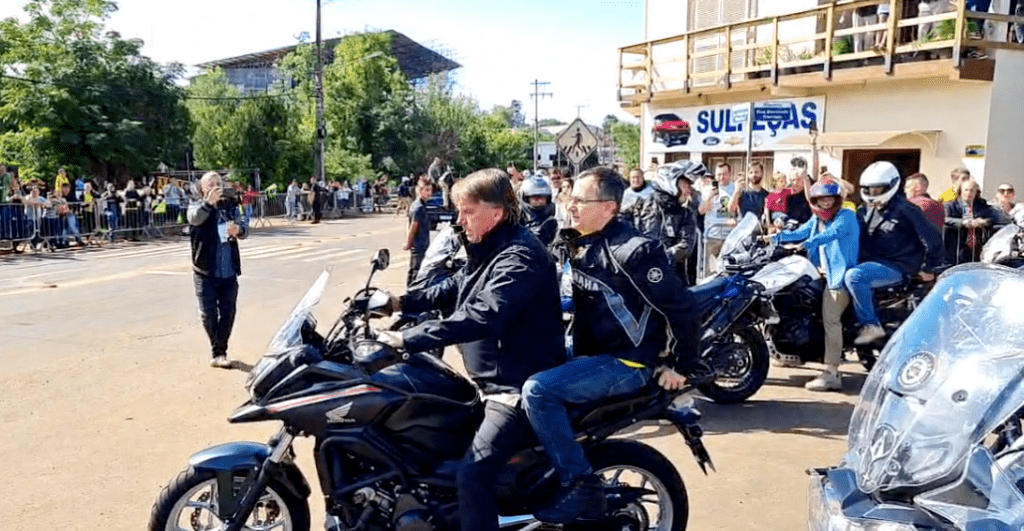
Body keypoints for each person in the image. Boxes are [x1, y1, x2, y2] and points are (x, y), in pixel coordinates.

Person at [376, 168, 565, 531]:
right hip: (488, 382)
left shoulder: (519, 256)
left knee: (472, 474)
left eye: (467, 212)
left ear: (495, 212)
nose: (459, 221)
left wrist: (408, 339)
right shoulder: (492, 247)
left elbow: (483, 315)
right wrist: (398, 302)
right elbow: (454, 287)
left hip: (513, 388)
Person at [523, 167, 700, 523]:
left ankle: (579, 485)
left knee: (538, 391)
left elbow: (682, 308)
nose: (570, 206)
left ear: (607, 208)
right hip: (593, 350)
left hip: (627, 361)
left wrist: (681, 366)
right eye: (569, 198)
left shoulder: (633, 252)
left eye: (578, 201)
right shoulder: (576, 239)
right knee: (519, 366)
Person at [768, 181, 859, 391]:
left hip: (839, 277)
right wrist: (772, 238)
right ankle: (786, 351)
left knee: (831, 318)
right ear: (815, 201)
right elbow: (799, 232)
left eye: (829, 199)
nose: (826, 204)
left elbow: (831, 234)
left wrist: (805, 244)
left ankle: (833, 372)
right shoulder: (817, 219)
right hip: (820, 273)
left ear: (837, 200)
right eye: (821, 200)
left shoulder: (846, 216)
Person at [846, 161, 944, 345]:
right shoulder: (865, 210)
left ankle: (871, 325)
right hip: (874, 264)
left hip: (899, 266)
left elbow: (933, 237)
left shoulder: (907, 209)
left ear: (892, 185)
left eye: (878, 189)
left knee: (855, 277)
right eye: (869, 189)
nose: (873, 194)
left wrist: (929, 267)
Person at [188, 171, 248, 369]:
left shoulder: (229, 206)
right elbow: (195, 219)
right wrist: (208, 203)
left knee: (228, 312)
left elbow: (244, 228)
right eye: (210, 183)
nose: (214, 186)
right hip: (205, 270)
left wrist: (238, 230)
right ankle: (218, 350)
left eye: (217, 183)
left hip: (228, 270)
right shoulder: (196, 205)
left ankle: (219, 352)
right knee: (208, 314)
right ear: (203, 188)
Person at [623, 161, 703, 283]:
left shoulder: (686, 214)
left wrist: (661, 257)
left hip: (671, 278)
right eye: (686, 184)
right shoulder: (641, 205)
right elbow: (620, 227)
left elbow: (686, 246)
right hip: (639, 274)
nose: (689, 190)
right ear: (670, 180)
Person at [944, 177, 1000, 265]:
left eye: (972, 190)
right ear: (960, 191)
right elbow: (945, 219)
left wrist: (983, 221)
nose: (969, 193)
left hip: (976, 249)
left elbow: (994, 218)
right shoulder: (950, 206)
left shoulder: (982, 206)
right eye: (966, 190)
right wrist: (964, 223)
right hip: (955, 247)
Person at [699, 162, 737, 272]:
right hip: (712, 235)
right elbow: (701, 211)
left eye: (724, 174)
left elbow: (736, 209)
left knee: (727, 270)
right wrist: (710, 196)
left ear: (730, 174)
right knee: (709, 271)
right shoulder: (708, 190)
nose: (722, 177)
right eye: (719, 174)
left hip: (729, 236)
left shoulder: (734, 188)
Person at [404, 180, 433, 286]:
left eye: (430, 190)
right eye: (427, 190)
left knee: (415, 270)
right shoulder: (418, 207)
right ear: (419, 191)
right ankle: (411, 294)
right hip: (419, 245)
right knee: (416, 271)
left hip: (422, 243)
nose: (429, 193)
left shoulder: (419, 205)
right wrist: (408, 243)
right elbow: (413, 226)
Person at [519, 175, 558, 246]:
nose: (540, 201)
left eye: (543, 198)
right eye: (536, 198)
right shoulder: (518, 218)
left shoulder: (551, 221)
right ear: (526, 199)